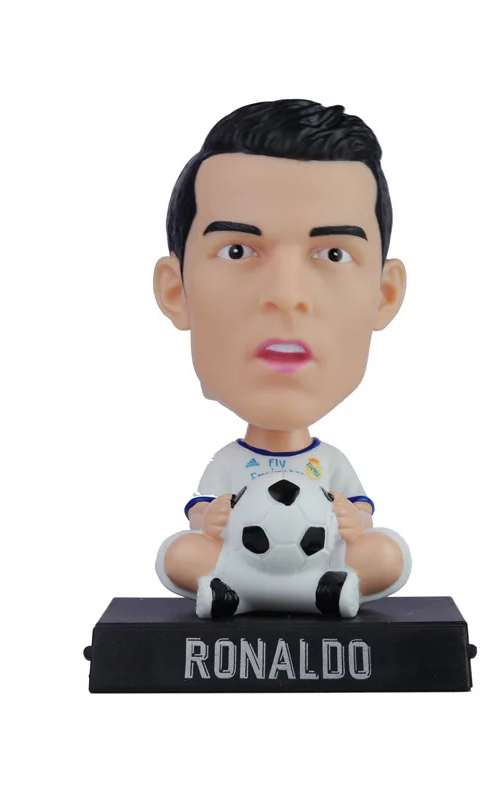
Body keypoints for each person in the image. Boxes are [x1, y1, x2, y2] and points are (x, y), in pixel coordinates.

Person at [152, 99, 411, 617]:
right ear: (176, 290)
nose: (286, 295)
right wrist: (210, 520)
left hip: (323, 556)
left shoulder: (330, 464)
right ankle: (298, 592)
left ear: (384, 295)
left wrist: (353, 522)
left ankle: (258, 591)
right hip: (240, 557)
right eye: (237, 251)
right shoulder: (228, 464)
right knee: (182, 555)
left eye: (333, 254)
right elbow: (202, 513)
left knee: (384, 555)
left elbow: (359, 512)